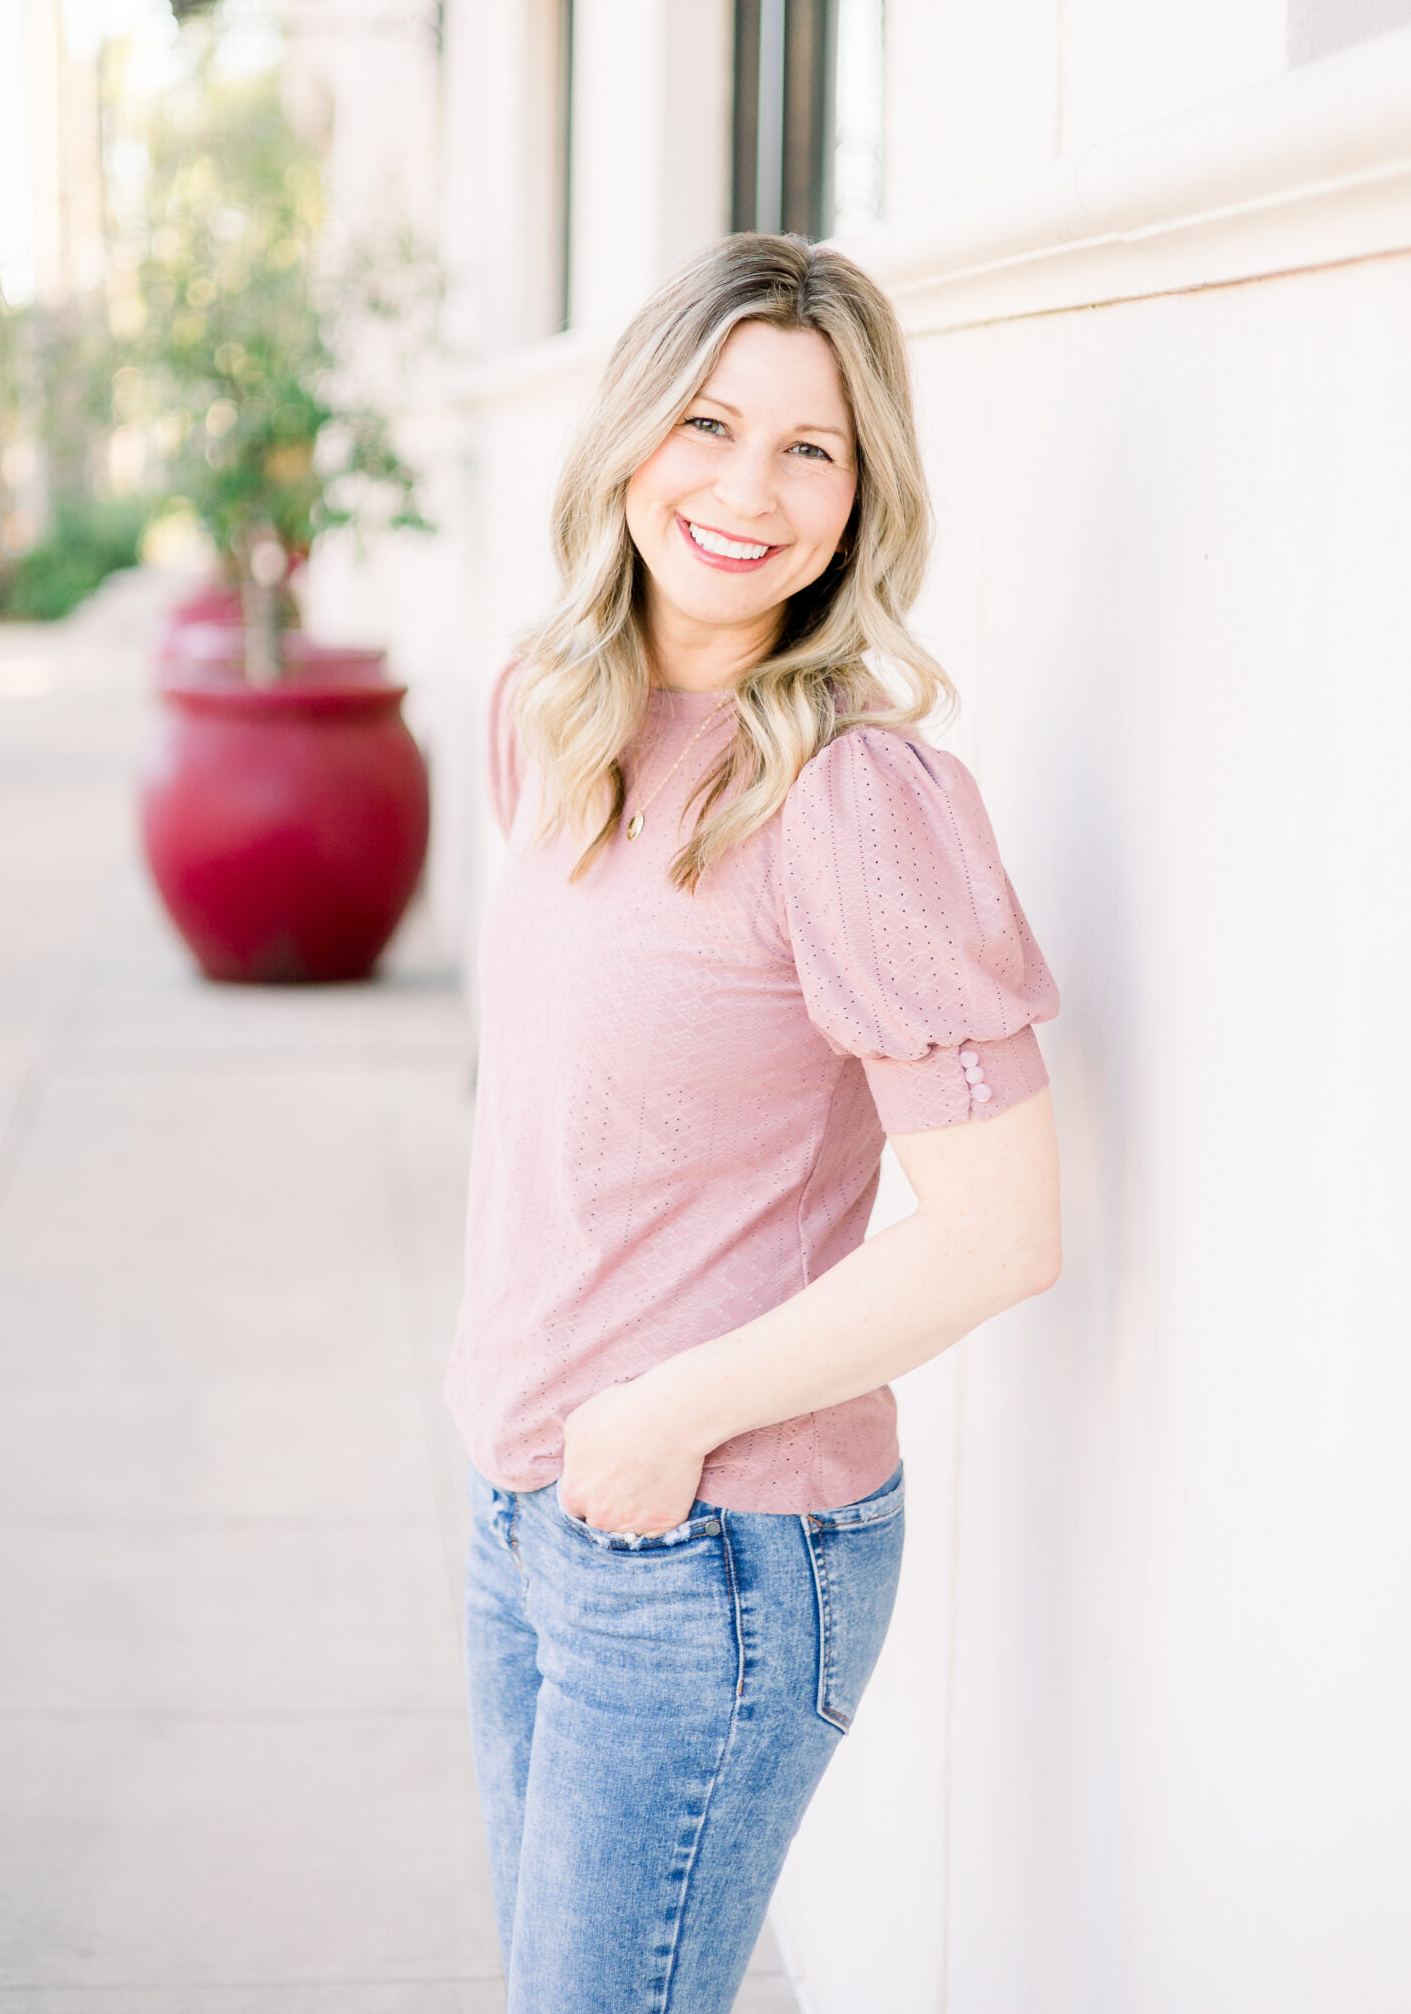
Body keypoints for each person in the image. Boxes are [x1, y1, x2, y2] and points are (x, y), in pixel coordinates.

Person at [446, 234, 1061, 2014]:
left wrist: (659, 1419)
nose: (747, 488)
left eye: (813, 447)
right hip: (523, 1508)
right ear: (630, 437)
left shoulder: (850, 798)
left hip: (705, 1546)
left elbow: (995, 1230)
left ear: (865, 497)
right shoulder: (549, 714)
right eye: (708, 423)